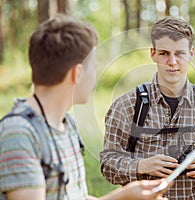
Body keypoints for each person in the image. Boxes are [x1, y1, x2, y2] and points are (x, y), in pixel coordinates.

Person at [0, 15, 170, 200]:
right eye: (93, 68)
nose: (94, 77)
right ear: (77, 73)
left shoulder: (67, 124)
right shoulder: (18, 133)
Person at [100, 16, 195, 199]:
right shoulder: (126, 106)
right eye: (164, 53)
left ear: (191, 53)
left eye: (180, 53)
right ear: (153, 54)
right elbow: (107, 163)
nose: (172, 62)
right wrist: (141, 166)